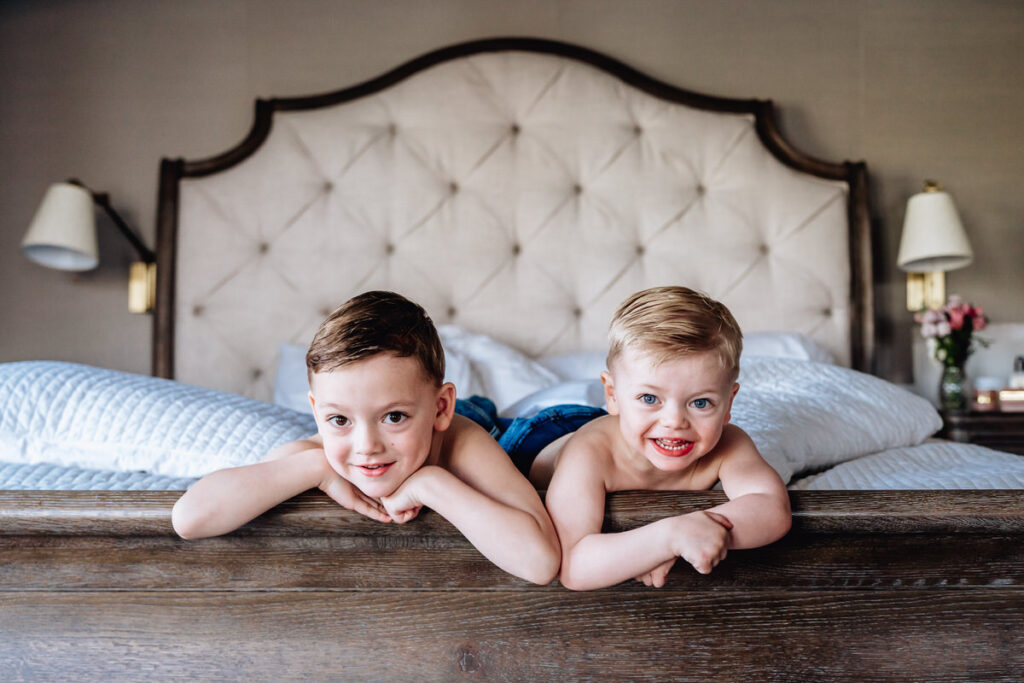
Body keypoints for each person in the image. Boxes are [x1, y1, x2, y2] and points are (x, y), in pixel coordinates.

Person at [171, 291, 561, 585]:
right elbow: (189, 518)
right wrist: (316, 467)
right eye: (339, 419)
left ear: (440, 408)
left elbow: (540, 562)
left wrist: (433, 483)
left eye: (393, 416)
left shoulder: (461, 440)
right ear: (315, 412)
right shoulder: (313, 455)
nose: (366, 445)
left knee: (550, 451)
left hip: (488, 425)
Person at [537, 286, 792, 590]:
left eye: (700, 403)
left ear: (728, 405)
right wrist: (668, 537)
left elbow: (771, 508)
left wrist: (692, 532)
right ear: (611, 394)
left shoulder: (728, 445)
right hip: (544, 434)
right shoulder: (592, 454)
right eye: (649, 397)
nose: (674, 422)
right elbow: (573, 566)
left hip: (627, 424)